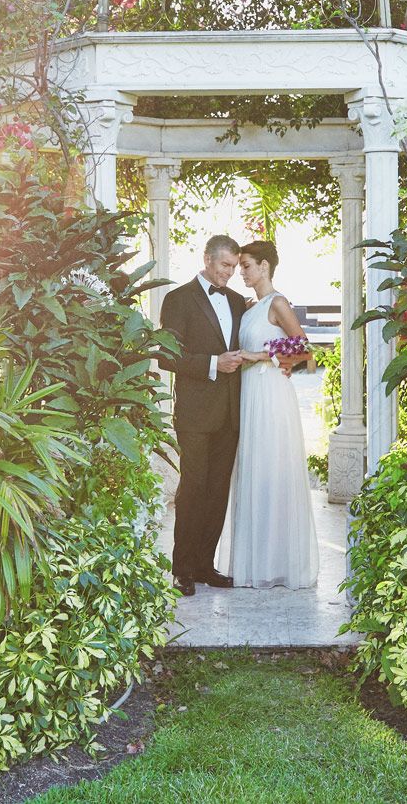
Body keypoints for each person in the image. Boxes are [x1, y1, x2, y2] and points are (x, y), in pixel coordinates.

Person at [214, 239, 320, 590]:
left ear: (265, 267)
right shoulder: (249, 307)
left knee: (274, 471)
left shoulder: (277, 302)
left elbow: (305, 351)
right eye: (238, 266)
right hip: (249, 395)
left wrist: (262, 356)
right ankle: (255, 563)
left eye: (245, 265)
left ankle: (279, 564)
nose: (240, 271)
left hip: (272, 394)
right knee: (254, 472)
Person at [156, 235, 247, 597]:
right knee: (192, 488)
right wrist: (213, 364)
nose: (229, 273)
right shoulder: (177, 299)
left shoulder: (239, 302)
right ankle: (182, 569)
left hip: (231, 414)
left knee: (217, 490)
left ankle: (206, 565)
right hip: (194, 414)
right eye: (225, 265)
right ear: (207, 259)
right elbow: (165, 356)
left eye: (234, 267)